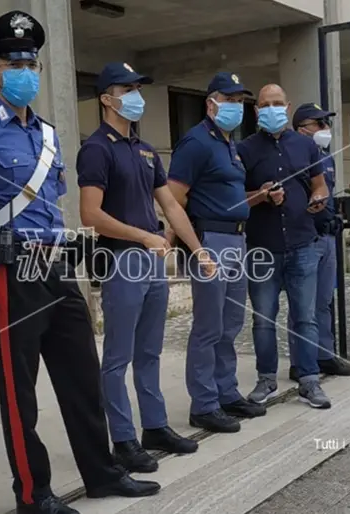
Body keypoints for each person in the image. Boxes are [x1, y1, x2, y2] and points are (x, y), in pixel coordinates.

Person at [0, 11, 159, 514]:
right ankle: (34, 494)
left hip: (56, 267)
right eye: (15, 63)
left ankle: (101, 472)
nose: (26, 70)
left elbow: (55, 203)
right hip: (10, 269)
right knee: (18, 391)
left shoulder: (47, 135)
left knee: (81, 374)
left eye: (32, 62)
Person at [78, 62, 216, 473]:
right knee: (117, 356)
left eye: (138, 88)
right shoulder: (97, 148)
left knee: (150, 352)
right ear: (106, 98)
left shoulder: (144, 149)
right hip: (122, 259)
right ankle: (123, 439)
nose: (136, 96)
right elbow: (90, 214)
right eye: (127, 89)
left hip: (153, 260)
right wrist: (142, 236)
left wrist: (198, 250)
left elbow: (171, 204)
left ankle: (154, 427)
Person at [166, 72, 266, 434]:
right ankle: (204, 403)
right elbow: (173, 199)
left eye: (241, 100)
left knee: (230, 325)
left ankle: (227, 392)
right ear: (211, 103)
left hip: (236, 241)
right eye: (230, 99)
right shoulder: (195, 143)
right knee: (208, 327)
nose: (237, 107)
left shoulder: (228, 144)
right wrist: (193, 247)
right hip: (210, 241)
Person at [237, 86, 333, 409]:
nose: (272, 109)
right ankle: (266, 379)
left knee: (305, 316)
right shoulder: (245, 150)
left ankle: (309, 380)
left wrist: (320, 198)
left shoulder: (306, 146)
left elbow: (319, 185)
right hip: (262, 248)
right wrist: (261, 195)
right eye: (265, 105)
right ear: (256, 112)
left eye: (278, 104)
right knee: (264, 318)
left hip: (303, 243)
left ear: (287, 106)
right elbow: (236, 199)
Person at [288, 103, 350, 382]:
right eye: (319, 124)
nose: (325, 130)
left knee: (324, 301)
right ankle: (300, 361)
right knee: (303, 306)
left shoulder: (326, 157)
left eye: (326, 124)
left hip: (327, 236)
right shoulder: (293, 156)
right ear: (303, 128)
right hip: (307, 238)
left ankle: (324, 354)